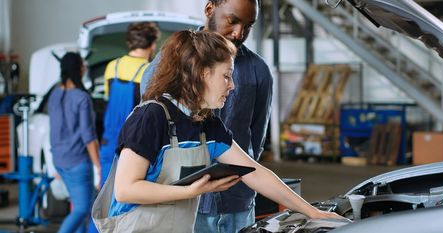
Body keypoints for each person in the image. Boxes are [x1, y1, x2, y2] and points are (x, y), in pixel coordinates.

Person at [92, 30, 344, 233]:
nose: (232, 86)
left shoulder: (206, 124)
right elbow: (126, 189)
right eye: (226, 76)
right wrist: (190, 192)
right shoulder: (151, 117)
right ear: (202, 74)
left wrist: (313, 212)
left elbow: (255, 173)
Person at [140, 0, 273, 232]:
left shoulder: (258, 72)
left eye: (248, 26)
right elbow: (150, 139)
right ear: (209, 10)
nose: (239, 33)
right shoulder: (166, 65)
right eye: (232, 21)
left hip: (238, 204)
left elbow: (254, 142)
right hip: (184, 204)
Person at [100, 22, 160, 186]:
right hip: (133, 142)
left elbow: (107, 101)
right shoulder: (151, 71)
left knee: (105, 196)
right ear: (152, 44)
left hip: (108, 140)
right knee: (128, 196)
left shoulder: (112, 66)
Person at [48, 52, 101, 233]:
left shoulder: (55, 94)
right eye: (83, 66)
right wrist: (98, 165)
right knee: (82, 209)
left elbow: (54, 128)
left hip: (60, 159)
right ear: (79, 70)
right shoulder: (81, 97)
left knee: (79, 206)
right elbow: (88, 136)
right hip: (77, 161)